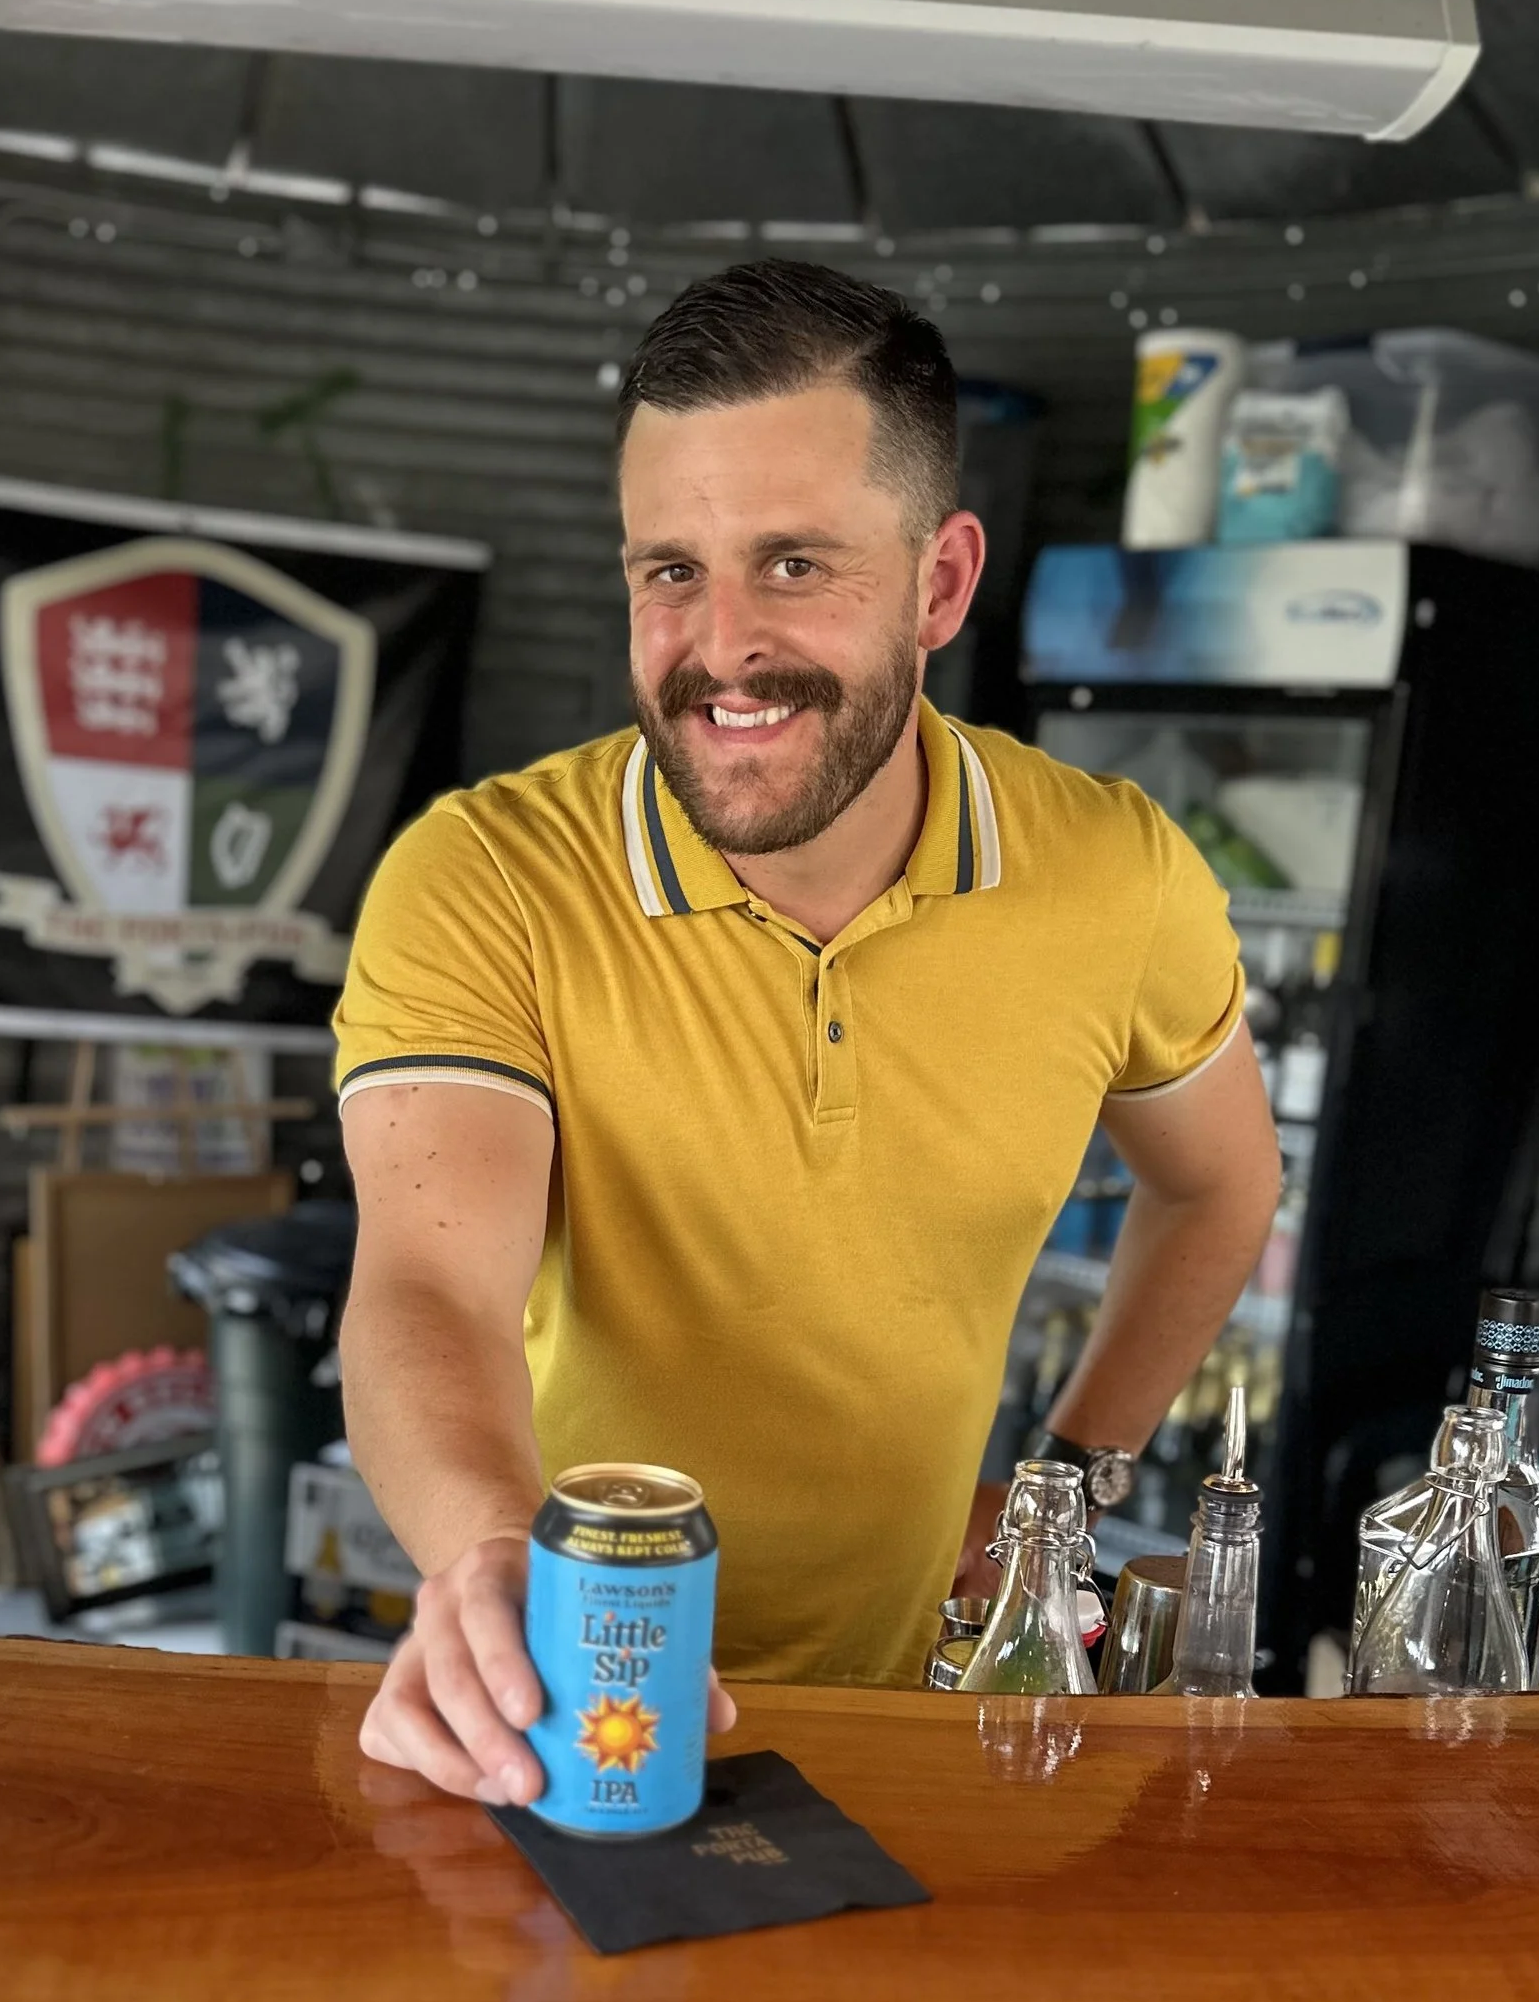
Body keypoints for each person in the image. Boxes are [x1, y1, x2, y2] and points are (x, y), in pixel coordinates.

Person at [334, 259, 1280, 1803]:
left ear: (941, 584)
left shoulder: (1117, 875)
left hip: (922, 1708)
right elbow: (429, 1284)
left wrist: (1061, 1484)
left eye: (793, 565)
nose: (720, 648)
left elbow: (1224, 1181)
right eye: (669, 571)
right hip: (570, 1695)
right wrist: (497, 1561)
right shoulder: (488, 875)